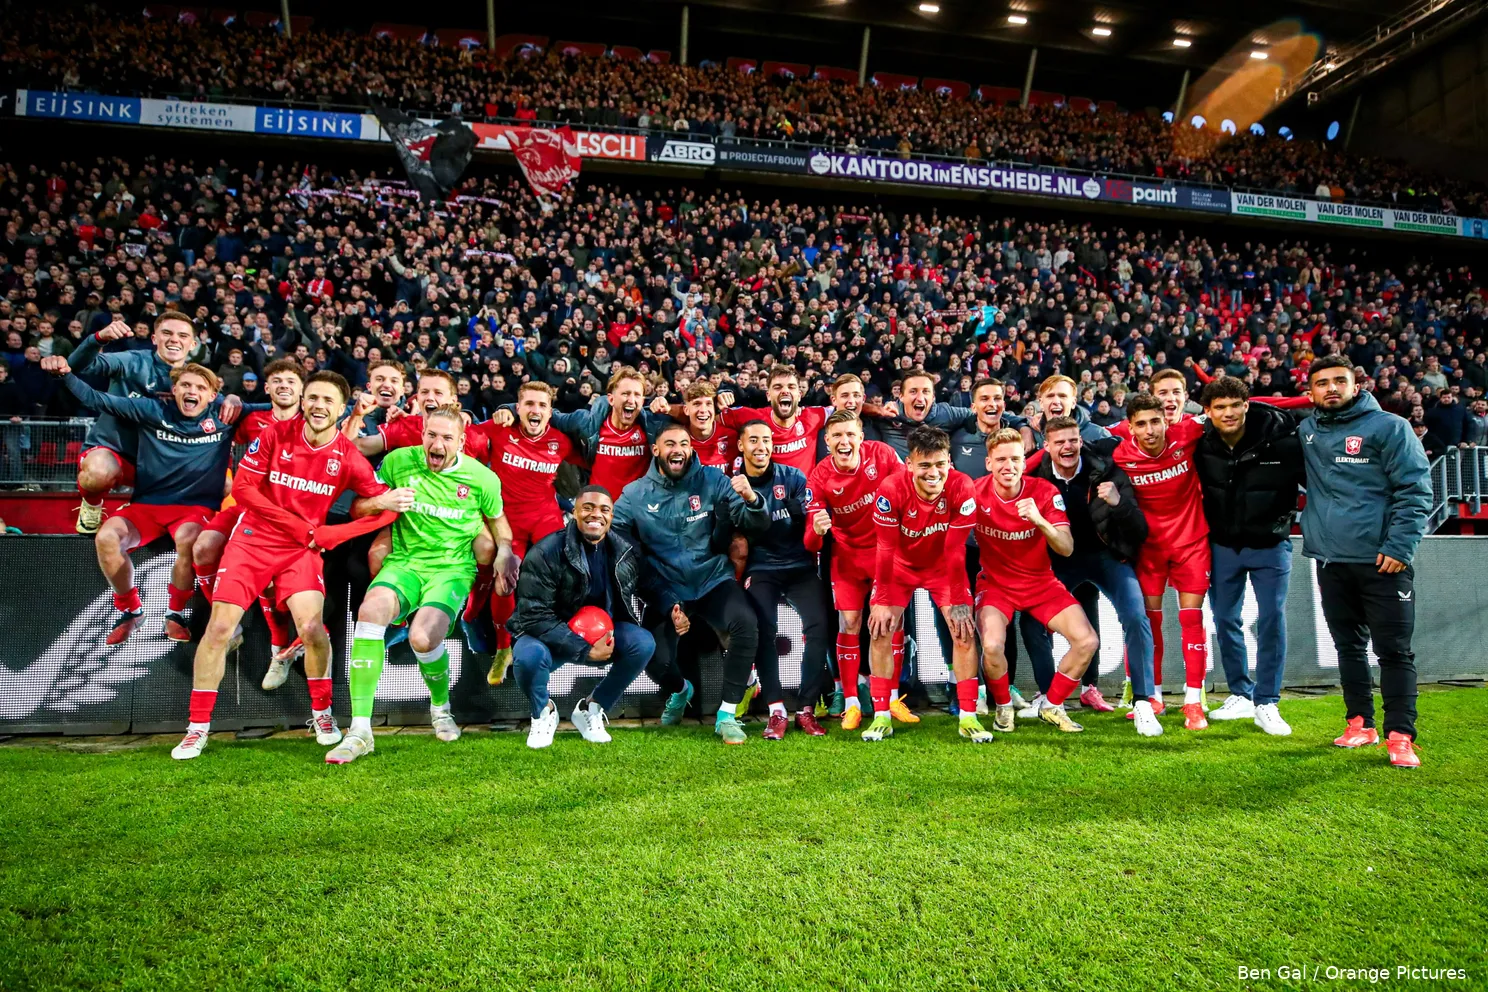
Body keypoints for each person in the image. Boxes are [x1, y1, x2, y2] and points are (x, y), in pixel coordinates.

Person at [170, 372, 409, 760]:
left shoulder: (348, 456)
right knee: (219, 628)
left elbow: (386, 510)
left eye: (327, 400)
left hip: (302, 550)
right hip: (253, 541)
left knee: (313, 629)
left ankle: (322, 713)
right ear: (303, 400)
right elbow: (244, 489)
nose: (318, 405)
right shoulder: (276, 435)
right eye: (312, 397)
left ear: (340, 409)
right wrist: (299, 525)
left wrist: (338, 534)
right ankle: (197, 729)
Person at [326, 405, 518, 764]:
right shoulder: (398, 462)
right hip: (404, 564)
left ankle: (441, 708)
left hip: (451, 570)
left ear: (462, 441)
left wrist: (505, 550)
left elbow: (498, 522)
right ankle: (360, 730)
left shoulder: (482, 479)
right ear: (423, 435)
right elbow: (358, 508)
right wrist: (381, 501)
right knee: (369, 613)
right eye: (432, 435)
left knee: (422, 638)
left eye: (447, 437)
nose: (438, 443)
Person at [42, 356, 241, 645]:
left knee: (189, 537)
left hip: (194, 509)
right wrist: (66, 375)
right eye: (185, 385)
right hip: (146, 505)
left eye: (200, 387)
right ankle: (131, 611)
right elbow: (97, 399)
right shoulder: (151, 409)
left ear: (212, 395)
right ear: (173, 390)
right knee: (107, 537)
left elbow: (273, 411)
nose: (192, 391)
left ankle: (175, 614)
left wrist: (237, 396)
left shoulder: (224, 417)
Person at [1300, 356, 1432, 769]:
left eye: (1340, 381)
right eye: (1322, 383)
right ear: (1311, 392)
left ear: (1357, 385)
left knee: (1394, 651)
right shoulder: (1307, 431)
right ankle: (1360, 722)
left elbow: (1415, 490)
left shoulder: (1390, 427)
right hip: (1331, 561)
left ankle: (1400, 735)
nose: (1331, 389)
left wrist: (1399, 547)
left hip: (1383, 562)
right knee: (1348, 648)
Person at [611, 422, 770, 744]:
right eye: (670, 444)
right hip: (666, 588)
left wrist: (753, 500)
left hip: (712, 579)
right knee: (651, 658)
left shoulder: (713, 480)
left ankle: (726, 715)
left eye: (684, 444)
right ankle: (681, 691)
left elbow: (755, 522)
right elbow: (619, 546)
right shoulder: (634, 495)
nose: (678, 450)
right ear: (656, 450)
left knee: (745, 623)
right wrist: (667, 602)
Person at [1025, 417, 1160, 735]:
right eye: (1059, 442)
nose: (1067, 447)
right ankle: (1050, 699)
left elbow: (1139, 529)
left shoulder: (1108, 470)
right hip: (1060, 559)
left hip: (1105, 557)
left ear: (1081, 441)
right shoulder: (1035, 475)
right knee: (1031, 623)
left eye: (1072, 440)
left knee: (1136, 616)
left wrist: (1119, 504)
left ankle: (1143, 702)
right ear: (1047, 446)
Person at [1196, 376, 1306, 736]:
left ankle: (1267, 701)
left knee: (1272, 617)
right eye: (1220, 407)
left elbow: (1318, 482)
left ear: (1246, 405)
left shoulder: (1284, 439)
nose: (1228, 413)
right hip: (1223, 545)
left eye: (1234, 405)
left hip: (1271, 545)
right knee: (1225, 618)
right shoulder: (1200, 444)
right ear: (1208, 412)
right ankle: (1241, 694)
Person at [972, 428, 1100, 738]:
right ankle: (1003, 706)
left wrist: (1040, 521)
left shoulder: (1043, 492)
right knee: (991, 645)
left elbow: (1067, 547)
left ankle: (1052, 705)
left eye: (1015, 459)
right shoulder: (974, 492)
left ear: (1023, 461)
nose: (1008, 466)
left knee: (1087, 641)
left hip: (1040, 584)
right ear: (988, 463)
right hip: (996, 585)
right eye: (1000, 459)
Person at [67, 312, 241, 534]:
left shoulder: (195, 380)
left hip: (163, 465)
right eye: (167, 333)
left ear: (193, 344)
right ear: (154, 338)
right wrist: (99, 338)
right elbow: (77, 365)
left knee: (224, 484)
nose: (174, 339)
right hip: (118, 453)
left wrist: (233, 399)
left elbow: (220, 407)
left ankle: (139, 509)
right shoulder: (132, 361)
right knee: (99, 471)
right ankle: (91, 507)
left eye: (182, 335)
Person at [510, 485, 655, 749]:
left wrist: (672, 607)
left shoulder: (624, 551)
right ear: (574, 513)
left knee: (642, 643)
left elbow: (650, 585)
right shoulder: (546, 552)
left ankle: (592, 707)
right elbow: (532, 616)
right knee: (528, 657)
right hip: (548, 634)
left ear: (611, 515)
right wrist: (584, 649)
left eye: (604, 509)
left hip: (601, 633)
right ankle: (543, 712)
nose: (595, 515)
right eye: (587, 508)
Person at [190, 358, 305, 680]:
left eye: (291, 381)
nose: (284, 386)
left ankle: (278, 651)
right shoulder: (252, 419)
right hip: (246, 506)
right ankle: (233, 626)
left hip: (287, 515)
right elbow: (220, 439)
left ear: (302, 390)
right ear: (267, 388)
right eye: (277, 381)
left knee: (270, 580)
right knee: (202, 548)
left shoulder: (312, 424)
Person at [862, 426, 978, 742]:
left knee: (963, 629)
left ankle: (969, 715)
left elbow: (955, 551)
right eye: (924, 465)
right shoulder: (890, 490)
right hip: (899, 568)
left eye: (940, 464)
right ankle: (882, 716)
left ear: (950, 462)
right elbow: (884, 548)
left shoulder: (963, 487)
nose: (933, 472)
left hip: (943, 568)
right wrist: (883, 598)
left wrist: (958, 601)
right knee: (881, 629)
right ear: (909, 464)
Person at [1112, 391, 1212, 730]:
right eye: (1141, 423)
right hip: (1150, 551)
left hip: (1191, 544)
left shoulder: (1186, 434)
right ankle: (1152, 696)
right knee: (1149, 625)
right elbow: (1073, 437)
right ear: (1130, 427)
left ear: (1166, 419)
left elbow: (1238, 407)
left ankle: (1193, 701)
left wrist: (1304, 400)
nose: (1151, 429)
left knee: (1191, 621)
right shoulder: (1119, 451)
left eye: (1156, 421)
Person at [466, 381, 579, 679]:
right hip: (507, 521)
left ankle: (550, 641)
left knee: (561, 576)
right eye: (529, 404)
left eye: (542, 405)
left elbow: (591, 456)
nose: (535, 410)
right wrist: (466, 413)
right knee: (505, 580)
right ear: (517, 409)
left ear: (550, 412)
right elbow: (465, 433)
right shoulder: (500, 429)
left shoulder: (561, 441)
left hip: (545, 518)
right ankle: (504, 649)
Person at [805, 411, 903, 729]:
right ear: (827, 441)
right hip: (847, 559)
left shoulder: (884, 455)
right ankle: (851, 703)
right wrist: (817, 530)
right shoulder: (819, 477)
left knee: (888, 623)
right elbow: (811, 544)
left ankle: (890, 697)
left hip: (885, 556)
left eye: (850, 435)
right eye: (837, 436)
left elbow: (907, 490)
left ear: (861, 437)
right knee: (849, 622)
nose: (844, 441)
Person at [735, 420, 830, 739]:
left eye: (766, 440)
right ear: (741, 446)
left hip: (799, 566)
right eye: (754, 440)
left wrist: (807, 524)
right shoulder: (733, 485)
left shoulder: (793, 477)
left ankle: (806, 708)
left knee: (820, 625)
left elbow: (809, 528)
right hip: (761, 568)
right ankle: (776, 710)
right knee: (764, 630)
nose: (761, 446)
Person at [717, 366, 831, 473]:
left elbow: (841, 408)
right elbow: (710, 415)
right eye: (778, 387)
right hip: (767, 492)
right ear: (768, 395)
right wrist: (719, 396)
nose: (785, 391)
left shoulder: (813, 416)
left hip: (804, 492)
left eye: (791, 387)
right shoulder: (753, 418)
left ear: (799, 395)